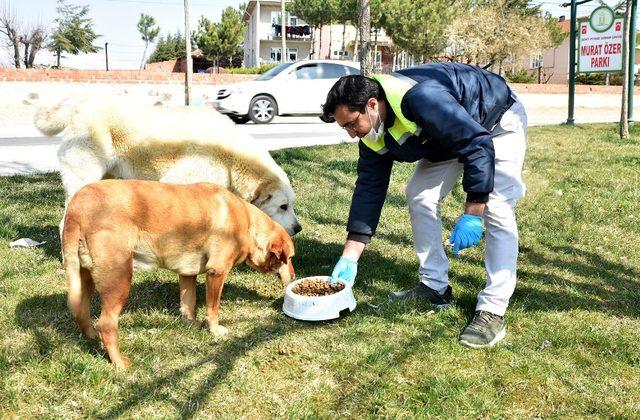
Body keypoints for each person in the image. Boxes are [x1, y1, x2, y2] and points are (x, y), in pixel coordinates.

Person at [322, 63, 527, 348]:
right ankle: (434, 287)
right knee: (420, 194)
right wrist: (350, 255)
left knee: (497, 208)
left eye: (351, 123)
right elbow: (369, 189)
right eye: (344, 127)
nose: (351, 134)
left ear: (372, 104)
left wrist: (473, 212)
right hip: (447, 134)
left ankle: (493, 309)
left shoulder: (421, 97)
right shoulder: (372, 132)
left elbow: (477, 144)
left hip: (492, 121)